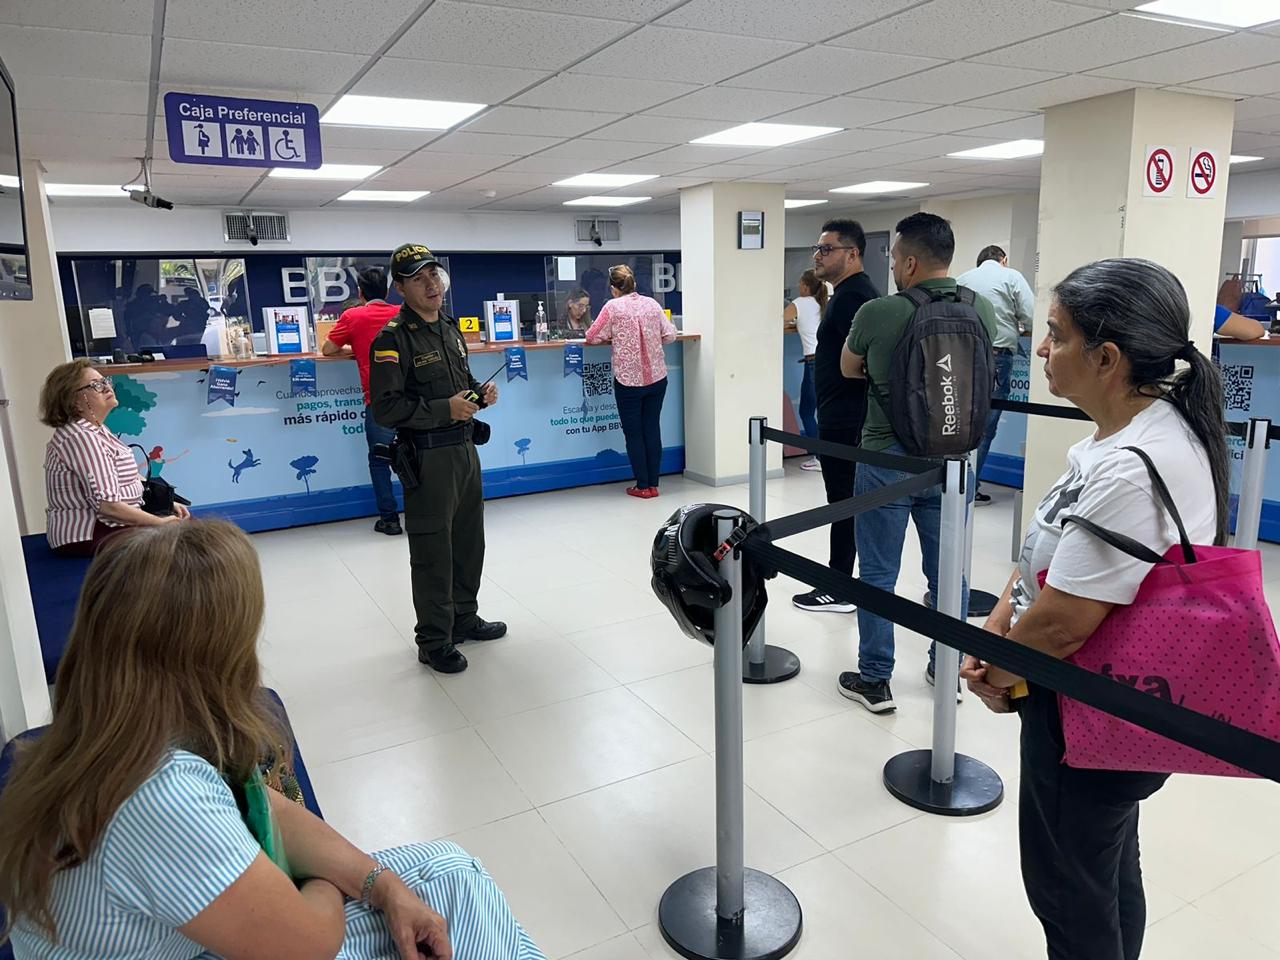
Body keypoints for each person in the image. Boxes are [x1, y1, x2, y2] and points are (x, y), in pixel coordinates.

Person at [0, 520, 546, 960]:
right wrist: (320, 881)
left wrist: (382, 885)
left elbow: (267, 807)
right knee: (457, 888)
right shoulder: (161, 794)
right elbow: (309, 946)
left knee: (448, 874)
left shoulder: (102, 737)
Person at [961, 258, 1229, 960]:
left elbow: (1063, 625)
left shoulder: (1132, 469)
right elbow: (1056, 555)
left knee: (1067, 891)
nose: (1041, 349)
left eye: (1056, 334)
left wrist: (997, 674)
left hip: (1084, 709)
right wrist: (1000, 616)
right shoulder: (1132, 437)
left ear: (1106, 359)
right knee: (1104, 869)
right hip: (1108, 706)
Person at [838, 212, 997, 712]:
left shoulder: (880, 311)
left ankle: (874, 679)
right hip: (955, 460)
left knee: (878, 573)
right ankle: (945, 667)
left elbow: (848, 368)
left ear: (909, 262)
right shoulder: (980, 308)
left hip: (887, 458)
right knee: (948, 574)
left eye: (893, 259)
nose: (892, 267)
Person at [370, 243, 505, 675]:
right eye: (418, 278)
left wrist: (478, 394)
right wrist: (445, 408)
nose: (431, 284)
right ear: (400, 288)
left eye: (434, 274)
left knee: (469, 542)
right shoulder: (393, 339)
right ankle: (433, 640)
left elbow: (460, 381)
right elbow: (386, 409)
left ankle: (464, 618)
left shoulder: (448, 327)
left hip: (465, 450)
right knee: (433, 551)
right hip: (428, 459)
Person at [791, 219, 881, 614]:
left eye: (826, 249)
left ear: (853, 253)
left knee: (843, 502)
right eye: (818, 248)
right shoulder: (846, 295)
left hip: (848, 418)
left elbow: (869, 362)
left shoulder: (854, 298)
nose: (818, 255)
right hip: (841, 415)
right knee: (843, 499)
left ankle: (839, 586)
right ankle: (843, 582)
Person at [40, 360, 190, 558]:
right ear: (74, 401)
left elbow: (127, 479)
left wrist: (164, 505)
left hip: (111, 525)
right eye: (96, 385)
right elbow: (108, 506)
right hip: (89, 533)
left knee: (189, 529)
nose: (107, 387)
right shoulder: (81, 437)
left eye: (105, 381)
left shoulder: (97, 429)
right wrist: (159, 523)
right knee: (186, 540)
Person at [323, 267, 404, 536]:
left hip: (380, 401)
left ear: (360, 293)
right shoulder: (403, 313)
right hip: (413, 398)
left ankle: (390, 520)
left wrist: (356, 347)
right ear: (388, 291)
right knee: (417, 453)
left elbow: (328, 349)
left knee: (380, 460)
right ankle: (421, 515)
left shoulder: (353, 316)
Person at [585, 264, 677, 499]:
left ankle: (642, 485)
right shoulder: (652, 304)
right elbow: (670, 335)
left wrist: (613, 336)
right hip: (657, 377)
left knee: (634, 433)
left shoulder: (612, 307)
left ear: (614, 289)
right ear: (633, 284)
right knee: (652, 429)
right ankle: (653, 484)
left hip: (628, 381)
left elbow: (592, 336)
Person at [956, 245, 1036, 504]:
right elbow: (1032, 316)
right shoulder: (1011, 276)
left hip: (962, 355)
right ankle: (970, 489)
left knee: (959, 422)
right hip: (996, 357)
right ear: (1004, 259)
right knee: (985, 426)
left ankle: (954, 485)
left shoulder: (962, 279)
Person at [782, 269, 826, 470]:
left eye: (800, 284)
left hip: (813, 363)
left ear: (806, 287)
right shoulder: (822, 303)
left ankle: (819, 457)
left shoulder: (800, 302)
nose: (798, 287)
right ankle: (827, 455)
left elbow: (780, 321)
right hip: (825, 360)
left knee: (806, 411)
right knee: (822, 411)